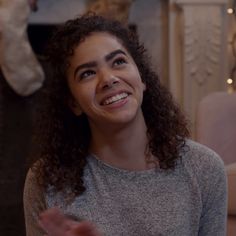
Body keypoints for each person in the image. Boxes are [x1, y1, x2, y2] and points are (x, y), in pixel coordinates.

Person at [23, 14, 227, 236]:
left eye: (118, 62)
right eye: (87, 73)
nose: (108, 79)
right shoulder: (46, 179)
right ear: (73, 102)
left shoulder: (204, 169)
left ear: (142, 77)